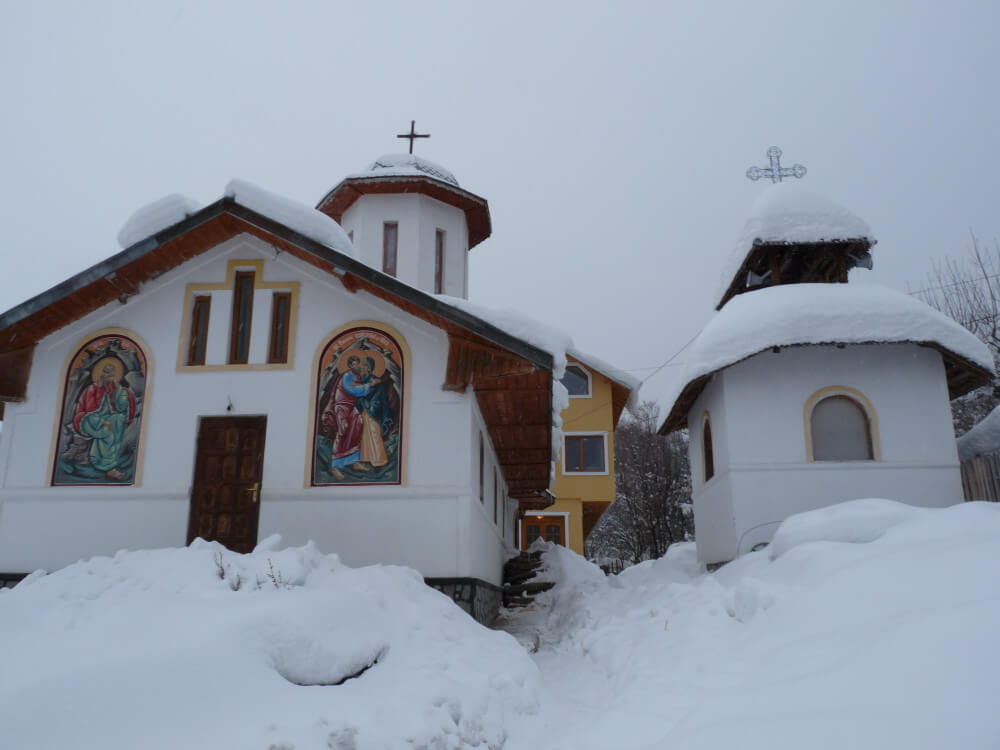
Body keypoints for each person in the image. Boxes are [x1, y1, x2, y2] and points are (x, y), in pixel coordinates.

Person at [71, 360, 137, 481]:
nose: (108, 376)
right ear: (101, 373)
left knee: (119, 418)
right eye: (106, 372)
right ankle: (105, 465)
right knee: (108, 433)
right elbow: (89, 412)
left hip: (106, 419)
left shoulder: (113, 389)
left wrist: (119, 390)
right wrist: (103, 422)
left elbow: (121, 408)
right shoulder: (92, 389)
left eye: (112, 373)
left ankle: (106, 460)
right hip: (87, 420)